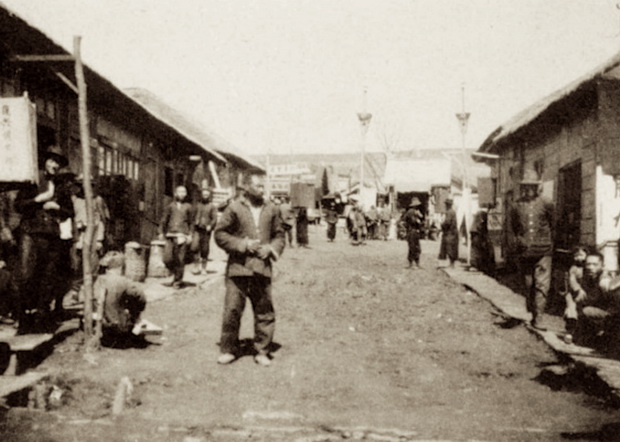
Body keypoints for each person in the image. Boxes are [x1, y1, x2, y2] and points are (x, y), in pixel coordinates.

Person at [214, 173, 285, 366]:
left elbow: (280, 235)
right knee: (232, 309)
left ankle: (262, 350)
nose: (262, 189)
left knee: (264, 310)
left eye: (264, 186)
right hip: (238, 268)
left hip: (262, 269)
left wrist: (270, 248)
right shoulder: (234, 208)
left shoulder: (272, 208)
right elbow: (220, 234)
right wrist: (242, 244)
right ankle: (228, 349)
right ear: (247, 187)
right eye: (258, 186)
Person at [14, 145, 74, 332]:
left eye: (58, 162)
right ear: (45, 161)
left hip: (51, 236)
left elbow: (69, 212)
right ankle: (24, 318)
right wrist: (38, 200)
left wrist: (57, 208)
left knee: (47, 277)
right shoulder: (32, 181)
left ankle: (41, 318)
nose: (54, 165)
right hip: (30, 233)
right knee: (26, 275)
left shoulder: (62, 186)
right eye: (51, 160)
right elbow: (18, 205)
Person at [508, 167, 555, 330]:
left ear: (537, 187)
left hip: (543, 250)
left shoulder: (547, 203)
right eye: (526, 186)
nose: (529, 189)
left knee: (542, 285)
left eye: (532, 186)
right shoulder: (516, 205)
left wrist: (549, 244)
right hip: (525, 252)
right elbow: (513, 227)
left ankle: (539, 318)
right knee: (528, 284)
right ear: (522, 187)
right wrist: (518, 242)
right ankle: (532, 310)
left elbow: (553, 224)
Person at [94, 251, 147, 347]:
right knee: (133, 299)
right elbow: (141, 298)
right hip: (117, 326)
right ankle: (134, 326)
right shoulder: (123, 281)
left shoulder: (99, 279)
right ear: (121, 267)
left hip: (100, 323)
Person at [159, 185, 194, 289]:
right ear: (175, 193)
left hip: (182, 236)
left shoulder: (188, 207)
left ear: (186, 194)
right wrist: (161, 232)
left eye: (184, 192)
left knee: (180, 259)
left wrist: (190, 235)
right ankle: (175, 275)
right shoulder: (170, 206)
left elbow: (191, 222)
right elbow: (164, 220)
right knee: (167, 259)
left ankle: (177, 281)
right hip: (170, 235)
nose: (182, 194)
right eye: (180, 192)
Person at [563, 245, 588, 343]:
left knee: (582, 313)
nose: (578, 258)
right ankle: (569, 333)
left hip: (584, 294)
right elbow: (572, 280)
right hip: (572, 294)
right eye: (576, 256)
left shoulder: (588, 267)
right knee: (572, 312)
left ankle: (580, 334)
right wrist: (578, 289)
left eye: (581, 255)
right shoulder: (573, 268)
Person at [192, 188, 218, 275]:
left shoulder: (212, 206)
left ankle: (203, 268)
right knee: (194, 247)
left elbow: (214, 219)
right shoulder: (197, 205)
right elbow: (192, 216)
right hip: (197, 229)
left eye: (207, 195)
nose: (205, 196)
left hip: (206, 231)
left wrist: (210, 225)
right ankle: (196, 266)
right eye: (204, 195)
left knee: (205, 249)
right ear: (201, 195)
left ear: (209, 196)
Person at [470, 209, 495, 275]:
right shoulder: (483, 214)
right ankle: (475, 265)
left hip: (474, 231)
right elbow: (481, 226)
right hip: (477, 232)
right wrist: (484, 235)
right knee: (477, 248)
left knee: (475, 248)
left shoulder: (479, 212)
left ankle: (476, 265)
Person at [403, 198, 424, 269]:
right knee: (413, 247)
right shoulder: (411, 212)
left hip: (414, 231)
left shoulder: (415, 211)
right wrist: (418, 220)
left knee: (417, 247)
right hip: (412, 231)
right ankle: (411, 264)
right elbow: (413, 221)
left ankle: (416, 263)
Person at [438, 198, 459, 268]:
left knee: (449, 247)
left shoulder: (449, 212)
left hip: (450, 232)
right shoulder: (452, 211)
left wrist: (441, 225)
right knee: (452, 247)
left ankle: (451, 264)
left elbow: (447, 222)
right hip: (453, 232)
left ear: (447, 205)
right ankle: (451, 263)